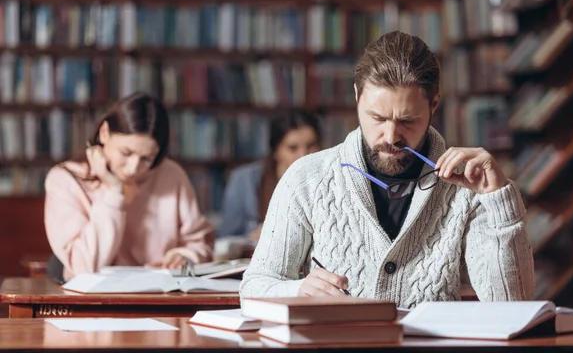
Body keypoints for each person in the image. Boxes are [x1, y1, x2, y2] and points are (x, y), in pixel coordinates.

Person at [240, 31, 534, 307]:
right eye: (377, 118)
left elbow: (512, 306)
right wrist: (298, 289)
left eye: (407, 120)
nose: (391, 136)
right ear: (357, 97)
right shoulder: (306, 178)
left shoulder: (469, 186)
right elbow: (254, 288)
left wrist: (498, 201)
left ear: (434, 104)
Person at [44, 92, 214, 283]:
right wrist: (113, 192)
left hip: (160, 296)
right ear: (104, 133)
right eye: (126, 153)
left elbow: (202, 245)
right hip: (90, 300)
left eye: (146, 158)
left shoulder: (171, 175)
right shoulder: (65, 180)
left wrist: (187, 256)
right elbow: (84, 266)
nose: (133, 168)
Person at [218, 109, 322, 241]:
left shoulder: (332, 180)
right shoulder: (244, 180)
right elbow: (225, 240)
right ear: (276, 151)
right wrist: (252, 238)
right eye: (292, 148)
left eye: (311, 145)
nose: (303, 155)